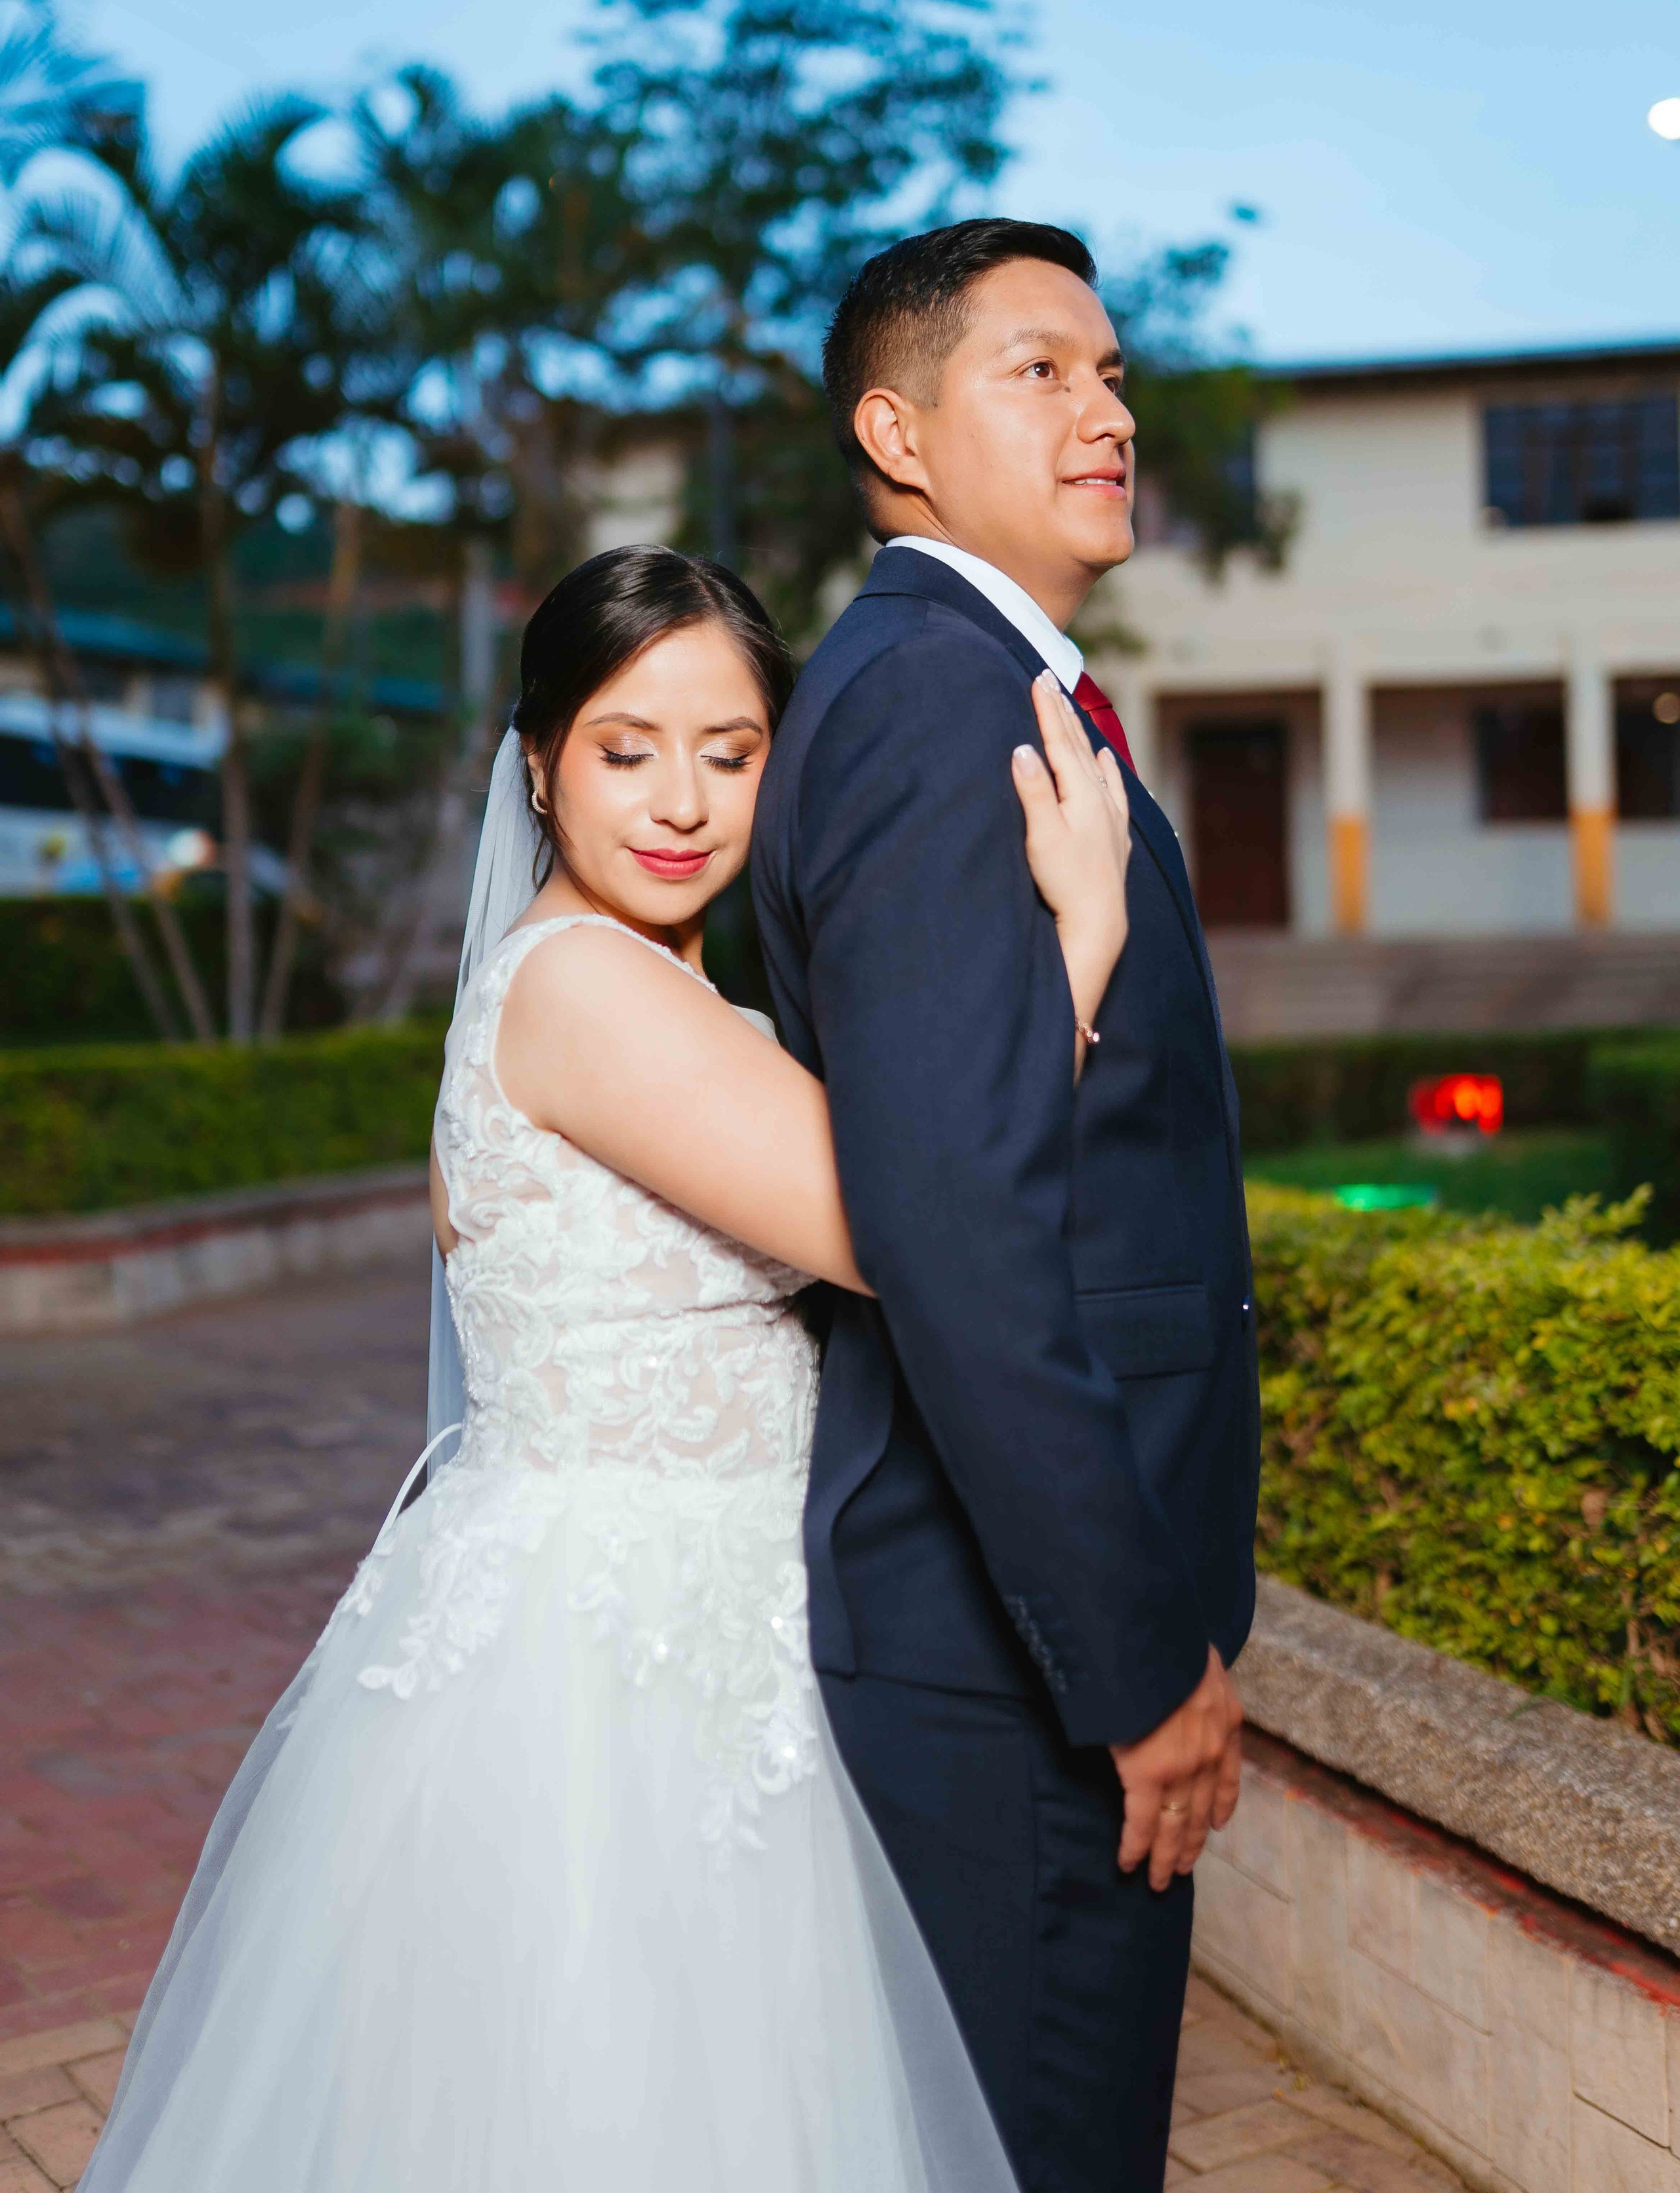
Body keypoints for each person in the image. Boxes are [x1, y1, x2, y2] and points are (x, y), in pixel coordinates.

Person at [79, 543, 1133, 2192]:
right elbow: (903, 1231)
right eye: (626, 748)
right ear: (538, 769)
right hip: (627, 1653)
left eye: (732, 753)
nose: (683, 801)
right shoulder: (582, 989)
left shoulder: (646, 989)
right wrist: (1084, 932)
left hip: (671, 1603)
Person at [751, 217, 1259, 2193]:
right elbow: (957, 1223)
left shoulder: (985, 684)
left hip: (1017, 1634)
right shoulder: (930, 702)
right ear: (897, 428)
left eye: (1113, 372)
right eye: (1038, 371)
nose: (1106, 410)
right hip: (1016, 1663)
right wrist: (1130, 1664)